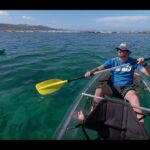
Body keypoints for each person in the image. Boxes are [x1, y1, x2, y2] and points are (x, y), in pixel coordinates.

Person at [78, 42, 150, 123]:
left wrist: (144, 64)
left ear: (128, 52)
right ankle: (91, 115)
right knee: (99, 90)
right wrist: (90, 72)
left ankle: (140, 124)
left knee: (134, 97)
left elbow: (148, 73)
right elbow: (100, 68)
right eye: (118, 49)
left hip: (127, 88)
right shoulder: (112, 61)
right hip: (113, 87)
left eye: (122, 50)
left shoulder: (134, 62)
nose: (119, 51)